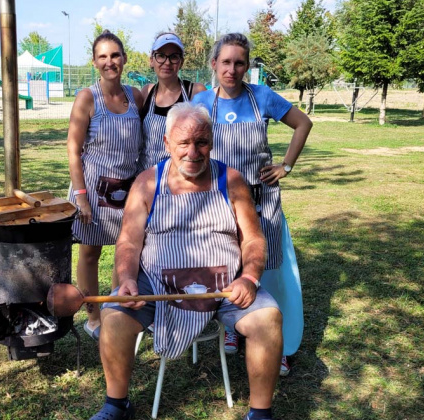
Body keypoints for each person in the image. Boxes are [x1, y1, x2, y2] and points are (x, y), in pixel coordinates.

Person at [90, 103, 283, 420]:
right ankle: (116, 405)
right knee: (113, 316)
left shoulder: (231, 180)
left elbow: (252, 239)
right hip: (157, 284)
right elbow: (128, 242)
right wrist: (126, 279)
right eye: (184, 143)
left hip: (226, 288)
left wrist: (249, 277)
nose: (193, 152)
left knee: (268, 318)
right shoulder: (147, 183)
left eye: (201, 142)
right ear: (167, 143)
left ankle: (260, 414)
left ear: (212, 141)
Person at [192, 33, 312, 375]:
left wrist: (285, 165)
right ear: (214, 64)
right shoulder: (202, 101)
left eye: (239, 63)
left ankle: (281, 345)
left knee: (271, 272)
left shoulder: (262, 96)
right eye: (225, 62)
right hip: (219, 205)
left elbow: (303, 123)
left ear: (247, 66)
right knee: (230, 268)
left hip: (262, 203)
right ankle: (233, 327)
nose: (232, 69)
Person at [67, 30, 144, 340]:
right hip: (92, 192)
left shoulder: (135, 96)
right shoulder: (87, 98)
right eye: (103, 56)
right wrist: (81, 197)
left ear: (124, 58)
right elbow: (73, 149)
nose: (109, 61)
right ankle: (93, 317)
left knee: (123, 253)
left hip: (127, 192)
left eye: (115, 55)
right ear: (94, 62)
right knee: (90, 254)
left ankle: (114, 313)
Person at [138, 32, 206, 171]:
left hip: (181, 178)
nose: (167, 62)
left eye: (174, 56)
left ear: (181, 62)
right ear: (152, 60)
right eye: (161, 55)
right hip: (147, 178)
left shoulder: (195, 92)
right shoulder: (146, 92)